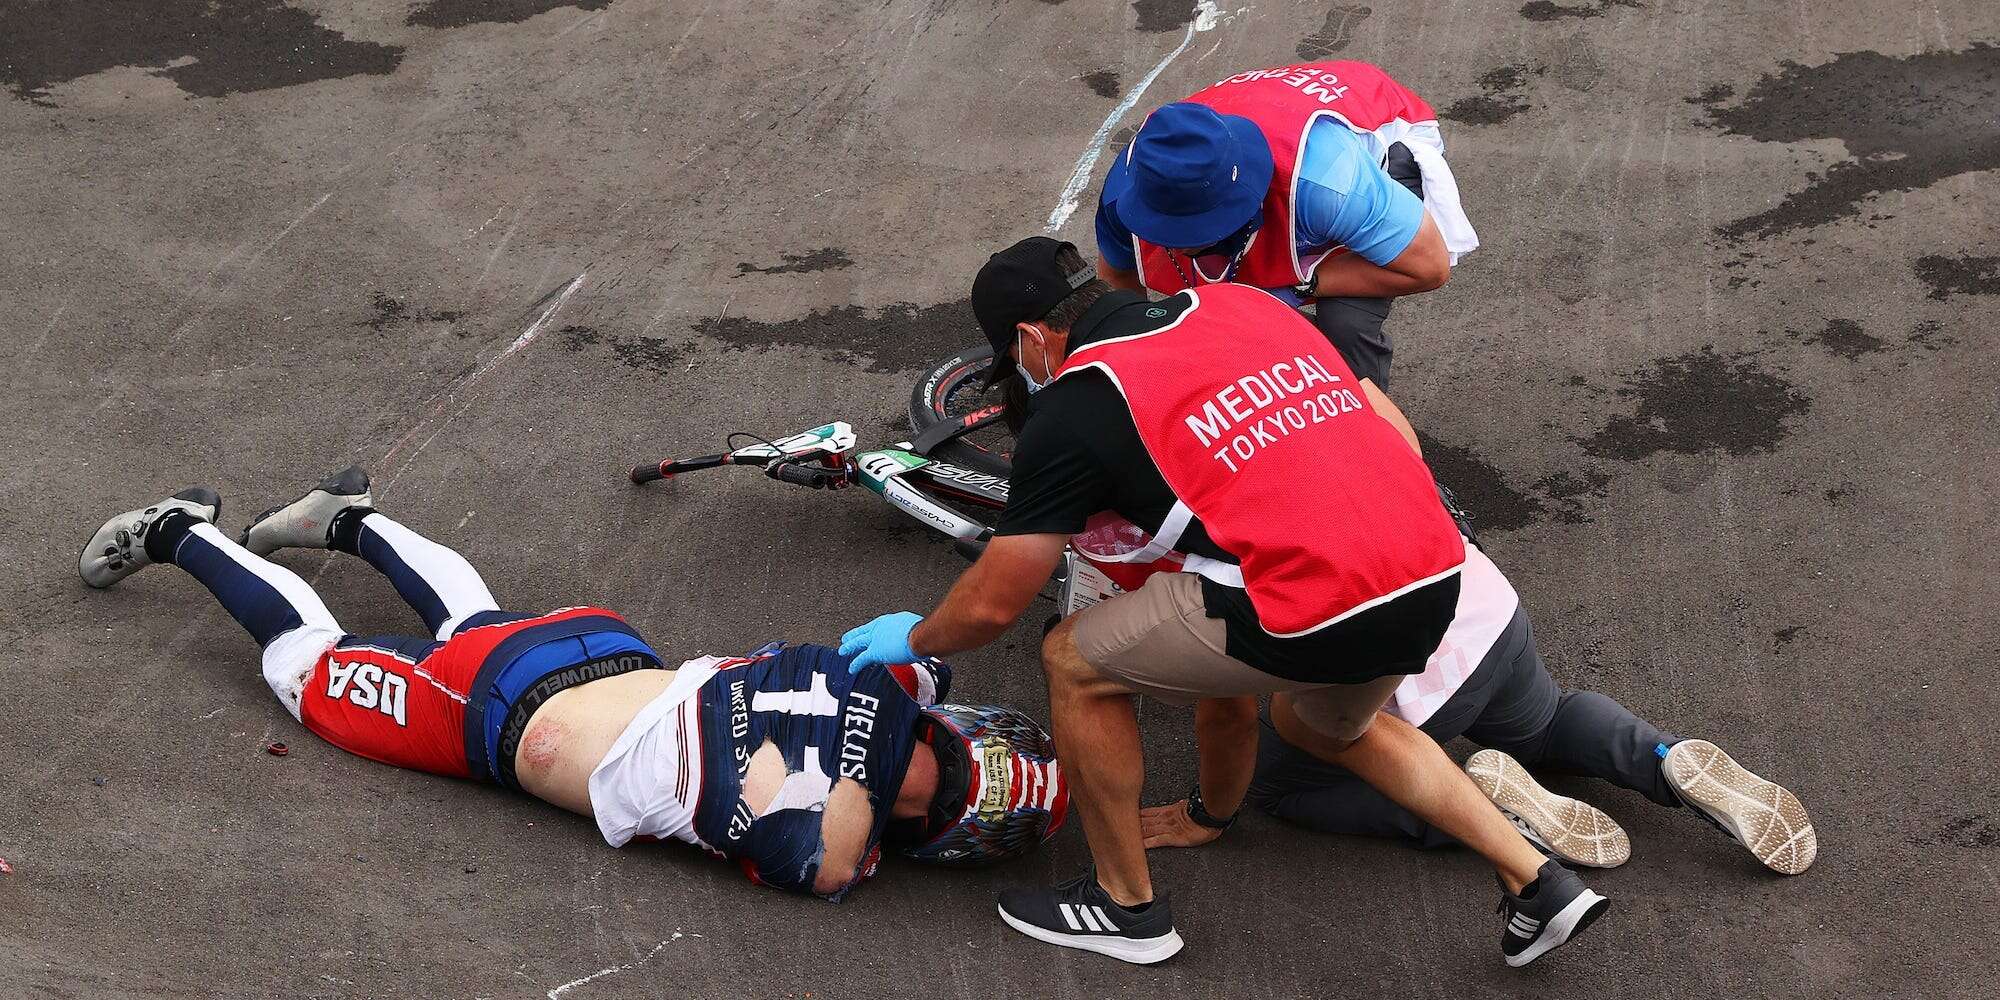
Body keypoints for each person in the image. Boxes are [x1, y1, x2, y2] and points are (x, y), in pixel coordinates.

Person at [839, 237, 1608, 966]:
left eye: (1014, 353)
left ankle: (1124, 909)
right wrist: (1207, 815)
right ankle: (1541, 882)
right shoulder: (1242, 305)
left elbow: (993, 605)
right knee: (1322, 723)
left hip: (1313, 596)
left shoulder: (1076, 407)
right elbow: (1375, 414)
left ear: (1033, 337)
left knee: (1071, 657)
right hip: (1433, 563)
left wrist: (918, 639)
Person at [77, 467, 1066, 900]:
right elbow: (833, 850)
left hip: (603, 647)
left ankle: (352, 519)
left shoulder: (895, 677)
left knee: (479, 622)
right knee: (306, 667)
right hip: (501, 720)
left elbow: (917, 667)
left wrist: (917, 693)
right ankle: (176, 528)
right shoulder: (826, 853)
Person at [1134, 520, 1819, 876]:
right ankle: (1660, 757)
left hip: (1396, 671)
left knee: (1280, 787)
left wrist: (1207, 811)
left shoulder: (1193, 525)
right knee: (1546, 721)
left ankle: (1472, 805)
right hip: (1480, 603)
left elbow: (1224, 713)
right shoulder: (1316, 400)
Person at [1094, 60, 1479, 390]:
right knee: (1236, 324)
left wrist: (1303, 283)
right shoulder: (1124, 194)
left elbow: (1429, 267)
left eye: (1198, 229)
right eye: (1170, 229)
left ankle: (1372, 437)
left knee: (1345, 323)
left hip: (1382, 125)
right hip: (1268, 108)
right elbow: (1120, 293)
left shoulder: (1328, 183)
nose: (1182, 244)